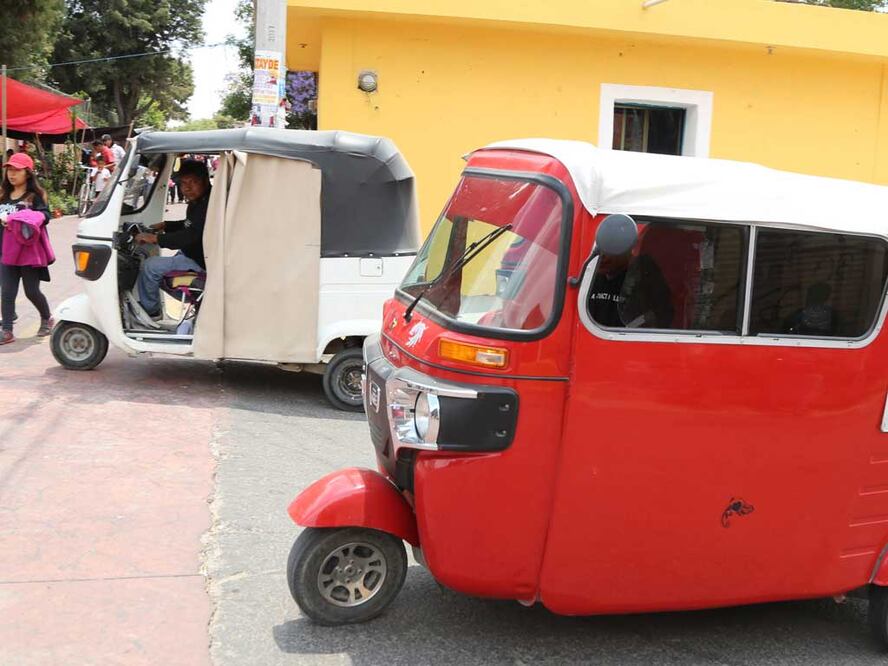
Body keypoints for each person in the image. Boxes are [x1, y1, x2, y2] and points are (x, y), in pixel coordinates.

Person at [134, 159, 211, 318]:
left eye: (193, 182)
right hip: (193, 254)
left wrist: (156, 239)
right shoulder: (199, 201)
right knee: (170, 259)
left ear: (205, 180)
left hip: (201, 261)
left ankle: (151, 311)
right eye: (183, 183)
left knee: (150, 266)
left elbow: (192, 235)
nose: (187, 188)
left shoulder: (208, 204)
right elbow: (190, 225)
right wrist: (166, 225)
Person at [0, 153, 54, 345]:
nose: (12, 174)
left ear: (28, 174)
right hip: (6, 253)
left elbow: (45, 216)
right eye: (9, 170)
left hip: (28, 254)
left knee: (31, 291)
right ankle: (7, 330)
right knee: (7, 292)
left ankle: (47, 317)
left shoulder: (35, 197)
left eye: (17, 170)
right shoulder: (3, 196)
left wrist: (20, 218)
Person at [588, 251, 674, 329]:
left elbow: (661, 316)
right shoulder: (588, 277)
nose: (602, 256)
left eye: (609, 248)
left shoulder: (643, 275)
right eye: (599, 249)